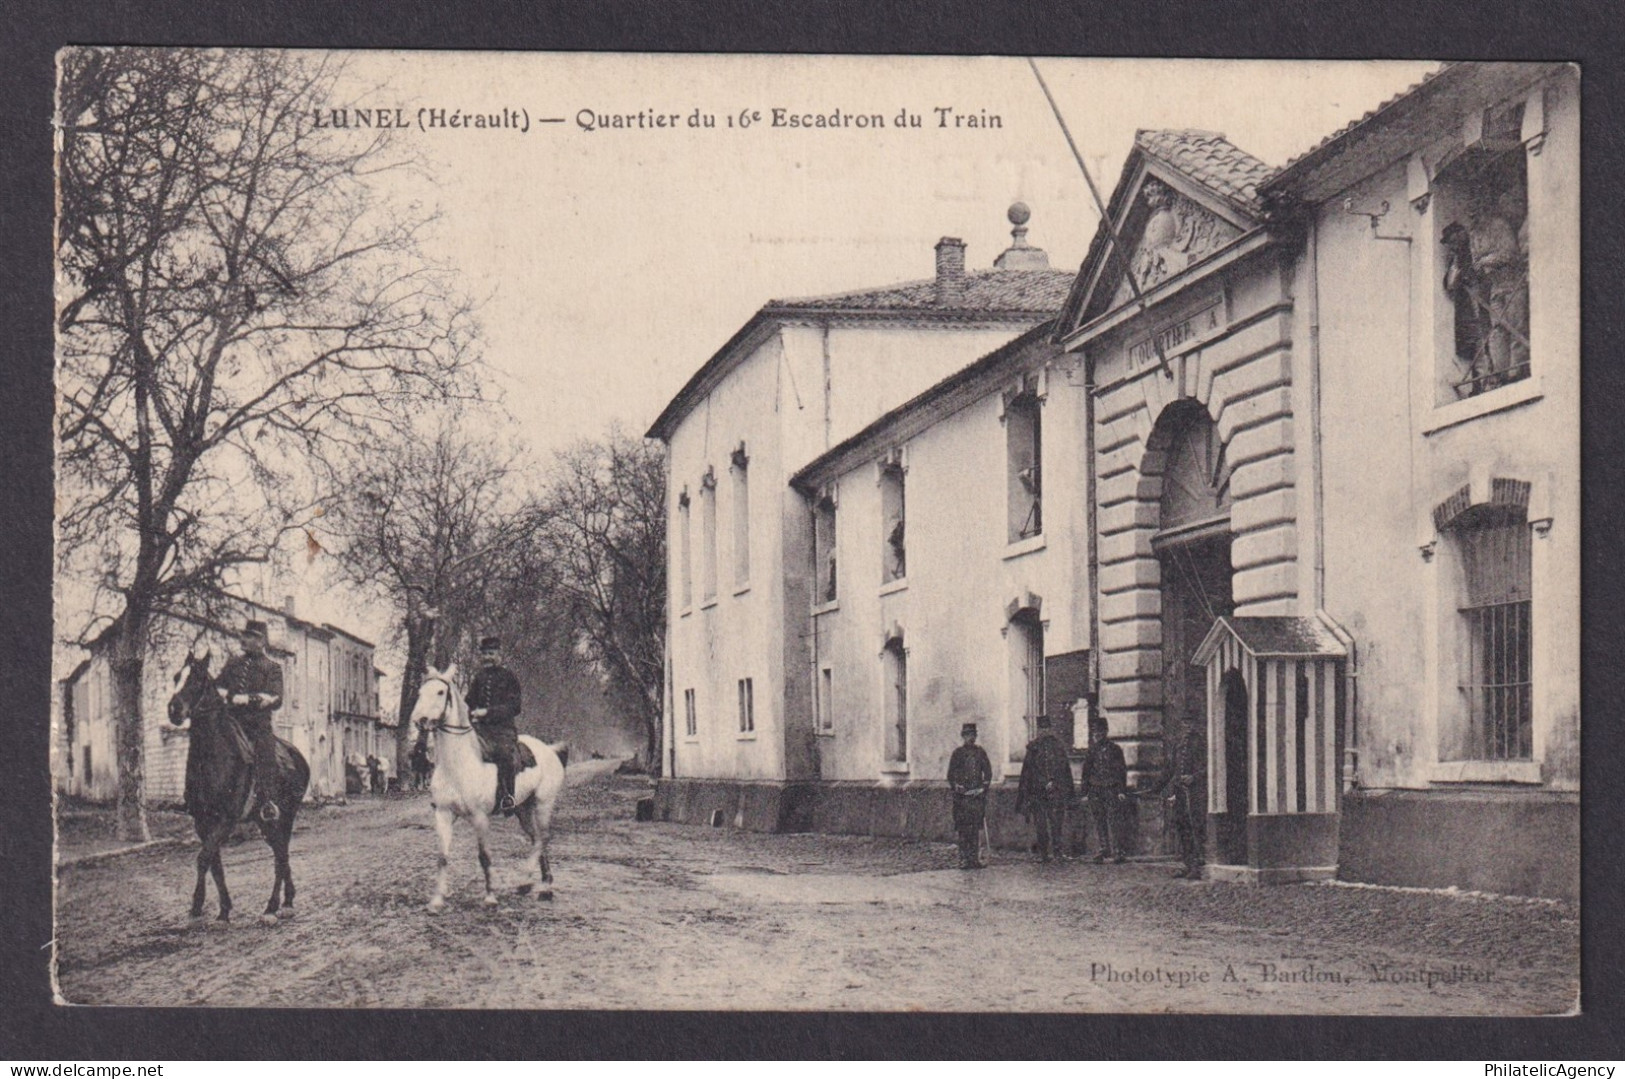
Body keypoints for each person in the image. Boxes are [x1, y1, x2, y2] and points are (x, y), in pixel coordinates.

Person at [217, 619, 285, 822]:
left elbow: (275, 697)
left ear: (261, 641)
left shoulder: (272, 667)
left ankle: (267, 802)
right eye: (243, 635)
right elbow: (219, 686)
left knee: (266, 753)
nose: (243, 639)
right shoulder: (232, 663)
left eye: (249, 636)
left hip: (257, 725)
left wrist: (247, 699)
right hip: (231, 721)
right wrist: (226, 697)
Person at [466, 635, 523, 814]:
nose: (487, 657)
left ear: (499, 654)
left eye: (491, 653)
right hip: (480, 729)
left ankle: (508, 797)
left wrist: (488, 712)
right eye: (485, 654)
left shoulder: (509, 677)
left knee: (504, 755)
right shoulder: (479, 678)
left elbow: (515, 707)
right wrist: (467, 713)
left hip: (502, 731)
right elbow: (469, 702)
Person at [1143, 723, 1208, 879]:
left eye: (1190, 723)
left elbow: (1210, 766)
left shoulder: (1202, 743)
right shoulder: (1177, 745)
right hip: (1180, 792)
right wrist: (1156, 788)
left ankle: (1198, 866)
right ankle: (1188, 863)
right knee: (1182, 826)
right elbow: (1169, 769)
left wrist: (1195, 777)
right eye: (1184, 724)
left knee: (1195, 827)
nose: (1187, 728)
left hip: (1197, 793)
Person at [1015, 714, 1075, 862]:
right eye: (1041, 728)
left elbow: (1064, 769)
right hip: (1038, 794)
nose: (1044, 731)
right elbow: (1028, 773)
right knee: (1041, 824)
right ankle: (1043, 853)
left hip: (1056, 792)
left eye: (1046, 728)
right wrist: (1029, 793)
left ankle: (1057, 852)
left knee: (1056, 824)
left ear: (1050, 729)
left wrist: (1056, 784)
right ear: (1038, 730)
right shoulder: (1033, 749)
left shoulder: (1058, 747)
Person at [1080, 713, 1129, 864]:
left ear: (1106, 732)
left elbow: (1121, 771)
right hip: (1095, 789)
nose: (1097, 735)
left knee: (1114, 820)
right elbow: (1086, 772)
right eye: (1095, 732)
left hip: (1111, 789)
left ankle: (1118, 851)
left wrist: (1121, 790)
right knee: (1099, 820)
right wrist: (1085, 792)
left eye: (1100, 732)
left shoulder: (1115, 750)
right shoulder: (1091, 751)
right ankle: (1104, 848)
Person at [947, 722, 993, 870]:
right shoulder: (957, 754)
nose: (970, 738)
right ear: (963, 736)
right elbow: (950, 775)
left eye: (972, 735)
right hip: (962, 798)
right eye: (967, 735)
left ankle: (974, 859)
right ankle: (964, 859)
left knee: (975, 829)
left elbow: (988, 773)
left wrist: (983, 788)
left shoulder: (980, 753)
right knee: (963, 830)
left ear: (976, 736)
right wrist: (956, 786)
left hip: (976, 798)